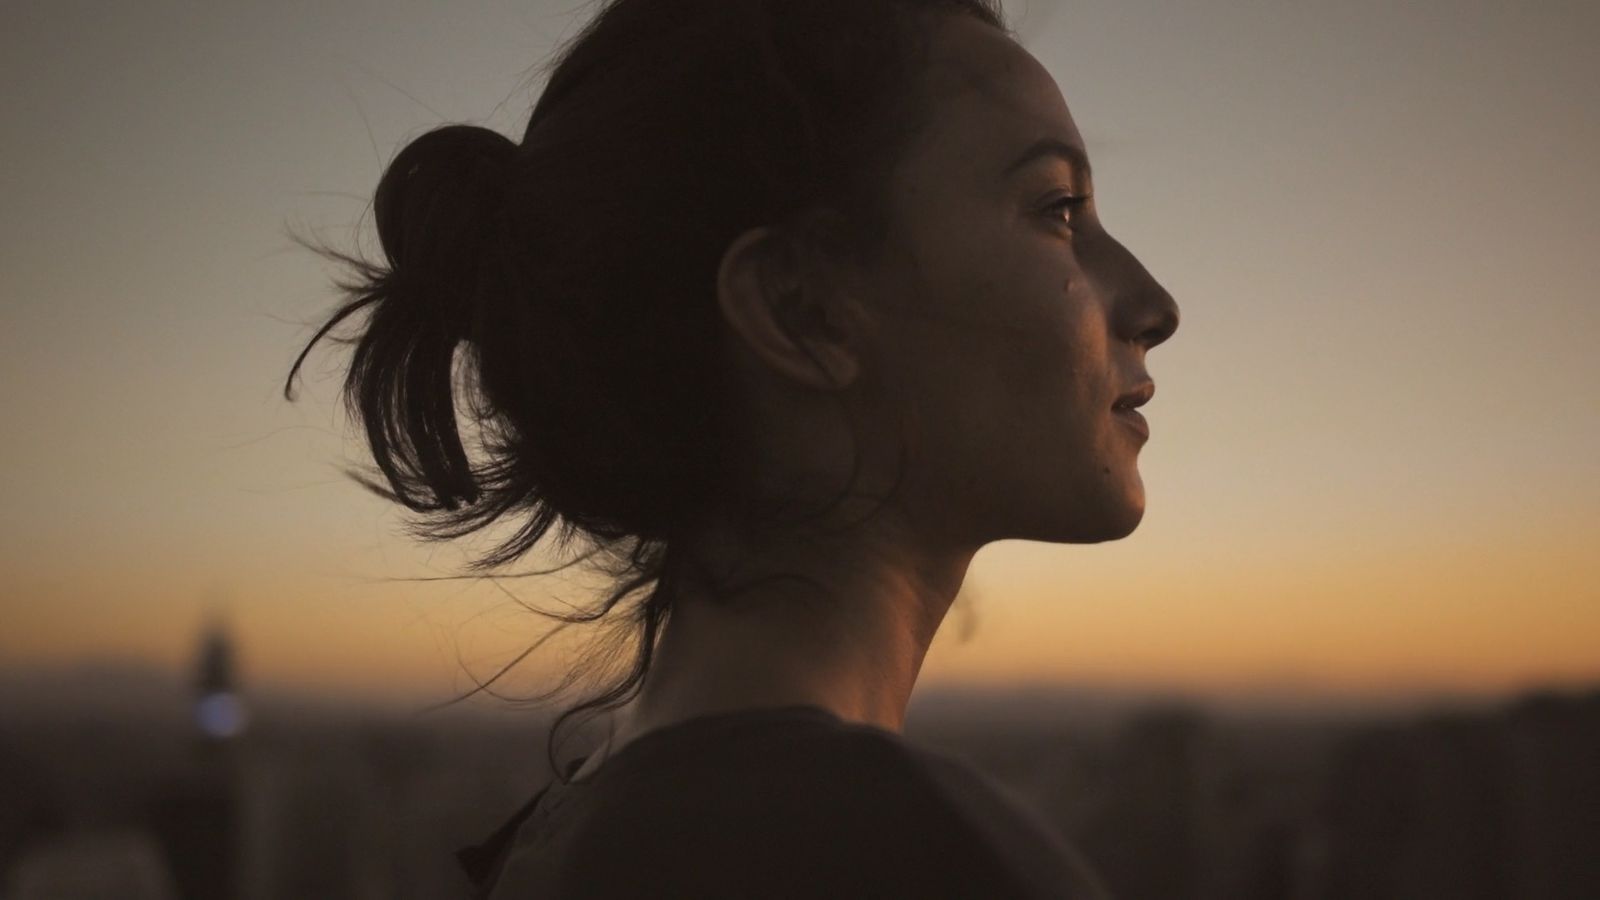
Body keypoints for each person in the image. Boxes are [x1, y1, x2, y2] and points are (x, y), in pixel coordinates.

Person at [286, 0, 1178, 896]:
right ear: (804, 312)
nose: (1154, 303)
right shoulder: (913, 858)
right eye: (1058, 208)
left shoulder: (554, 844)